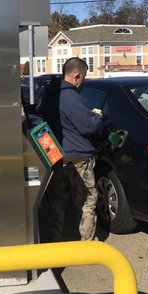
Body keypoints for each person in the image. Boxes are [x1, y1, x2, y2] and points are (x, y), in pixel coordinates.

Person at [41, 57, 103, 242]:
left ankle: (55, 242)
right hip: (79, 160)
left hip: (57, 158)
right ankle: (87, 245)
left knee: (57, 203)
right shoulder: (72, 98)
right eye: (82, 77)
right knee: (87, 202)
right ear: (76, 76)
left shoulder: (50, 94)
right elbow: (88, 127)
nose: (82, 81)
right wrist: (97, 117)